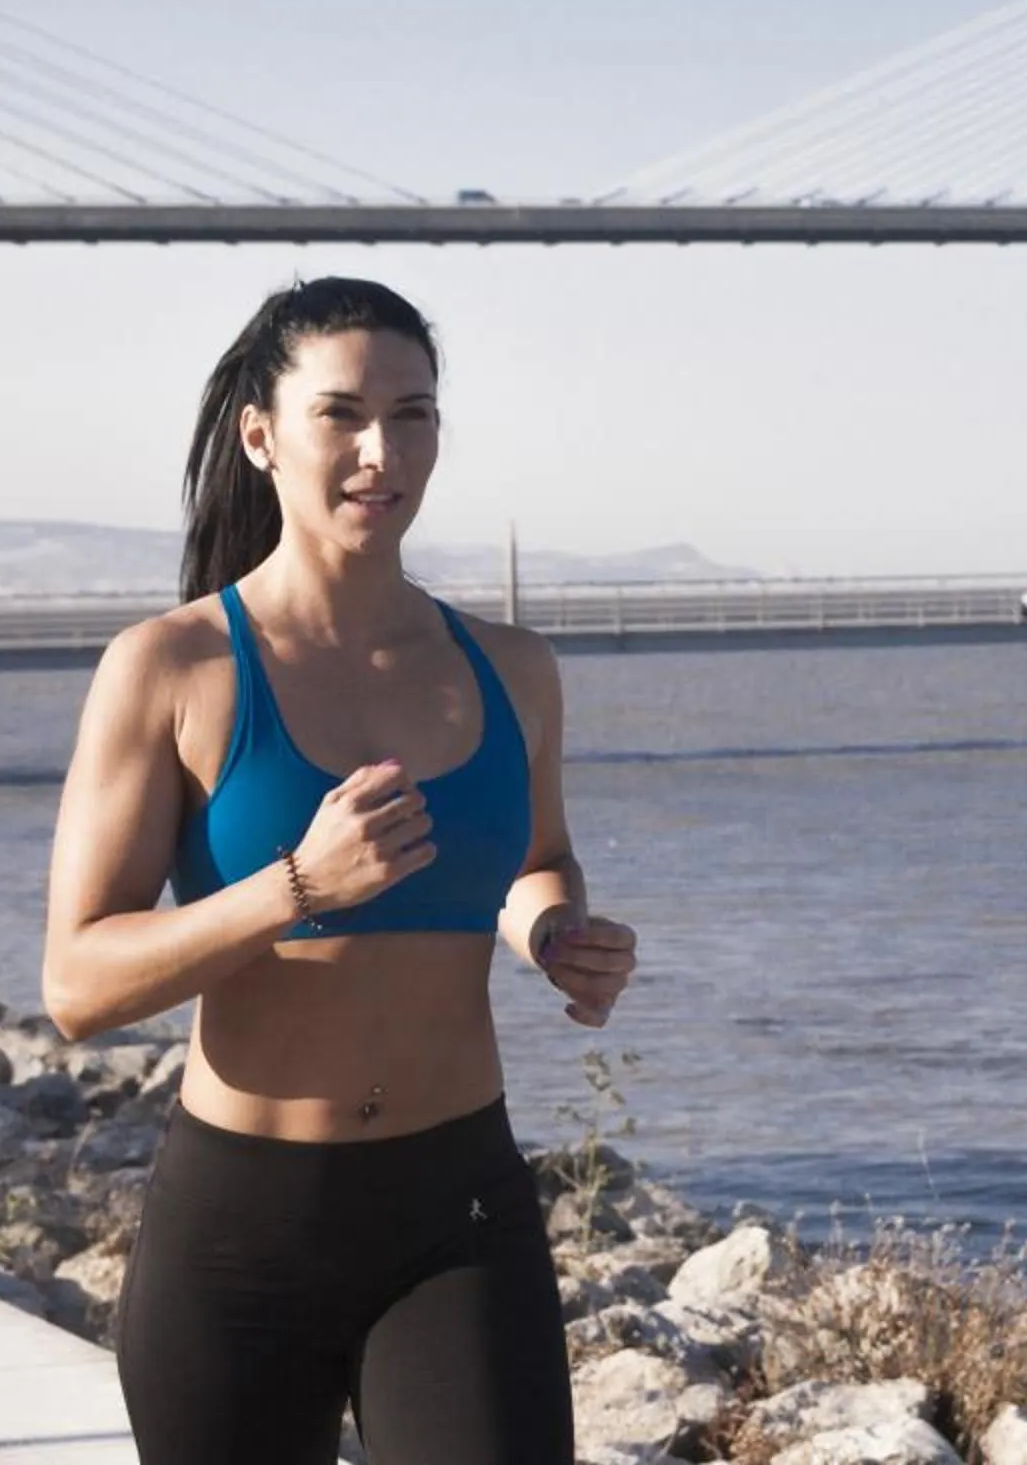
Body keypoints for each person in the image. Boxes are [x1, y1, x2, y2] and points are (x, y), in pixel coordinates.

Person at [40, 276, 635, 1465]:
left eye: (414, 414)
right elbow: (76, 983)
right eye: (343, 414)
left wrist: (554, 930)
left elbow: (534, 861)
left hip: (457, 1210)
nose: (383, 450)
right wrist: (297, 885)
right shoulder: (173, 665)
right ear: (261, 434)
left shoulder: (513, 667)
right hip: (239, 1232)